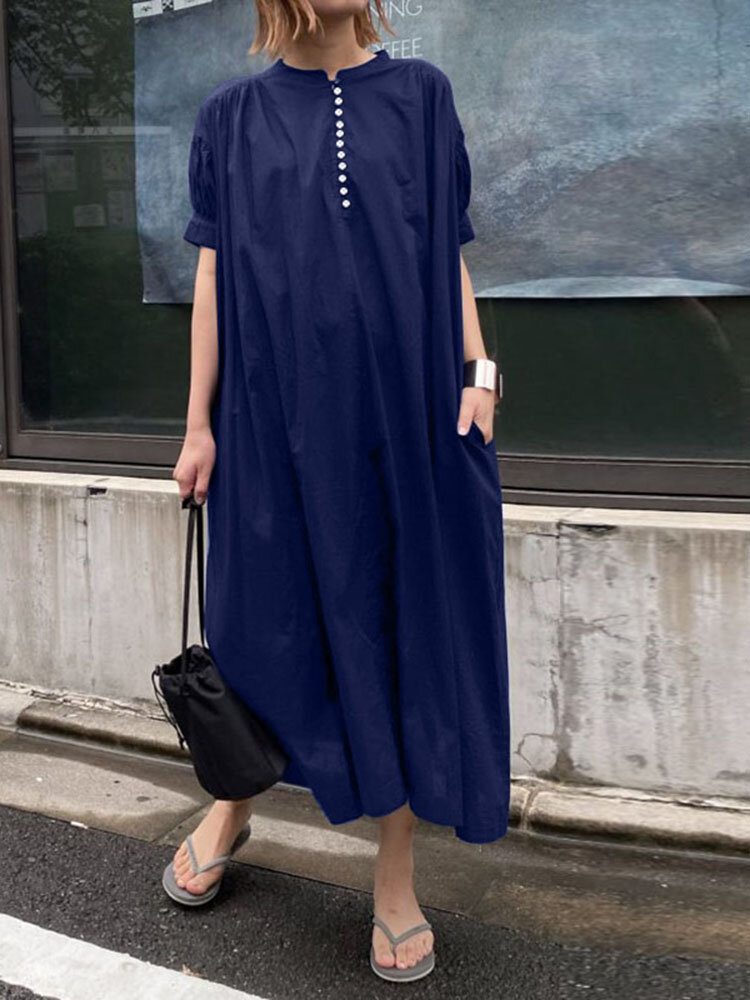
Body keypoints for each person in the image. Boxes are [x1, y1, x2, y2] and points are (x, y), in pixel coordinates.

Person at [167, 0, 509, 983]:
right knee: (261, 623)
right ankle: (233, 798)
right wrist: (197, 425)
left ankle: (395, 874)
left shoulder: (422, 95)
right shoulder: (229, 116)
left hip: (407, 421)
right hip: (272, 422)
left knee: (399, 628)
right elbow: (212, 279)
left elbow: (446, 253)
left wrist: (481, 377)